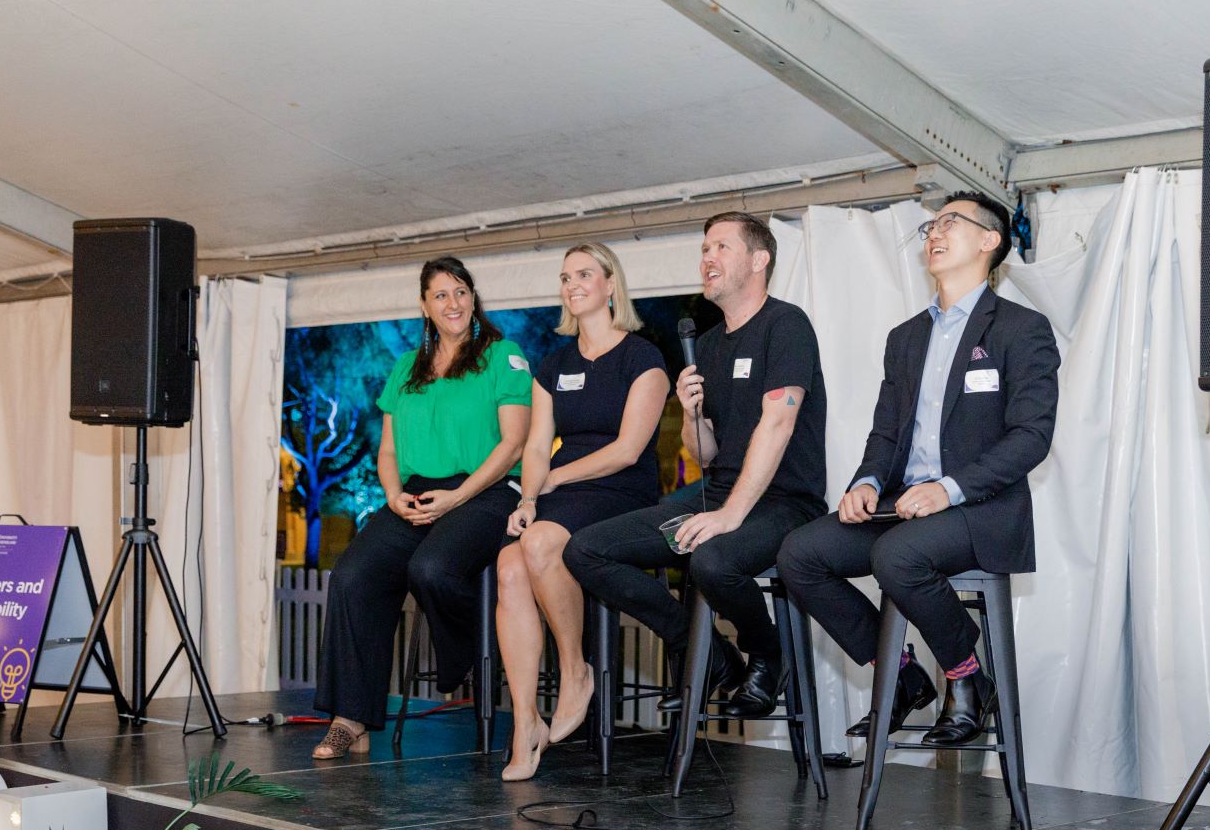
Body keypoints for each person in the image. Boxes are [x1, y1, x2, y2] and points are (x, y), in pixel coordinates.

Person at [777, 192, 1059, 746]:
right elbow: (886, 433)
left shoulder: (1020, 329)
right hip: (906, 505)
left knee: (896, 555)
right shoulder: (905, 338)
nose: (935, 231)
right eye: (933, 223)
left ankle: (965, 676)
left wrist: (948, 489)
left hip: (982, 509)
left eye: (951, 222)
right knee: (799, 554)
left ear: (988, 240)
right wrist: (866, 481)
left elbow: (1032, 438)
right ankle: (903, 676)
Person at [564, 212, 827, 720]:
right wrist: (690, 413)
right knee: (587, 550)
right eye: (705, 249)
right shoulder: (704, 345)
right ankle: (715, 659)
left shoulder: (785, 324)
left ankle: (769, 655)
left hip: (783, 499)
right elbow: (703, 453)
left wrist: (730, 515)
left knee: (711, 559)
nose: (707, 258)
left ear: (758, 260)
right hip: (719, 492)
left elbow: (778, 425)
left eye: (721, 248)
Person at [312, 256, 532, 759]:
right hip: (415, 491)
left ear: (473, 298)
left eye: (460, 291)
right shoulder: (405, 367)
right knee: (352, 577)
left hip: (487, 488)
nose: (452, 303)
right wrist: (392, 496)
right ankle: (351, 720)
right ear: (425, 306)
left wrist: (459, 495)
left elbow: (514, 444)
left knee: (430, 568)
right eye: (440, 295)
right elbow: (387, 450)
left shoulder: (503, 355)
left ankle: (475, 657)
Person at [495, 244, 670, 781]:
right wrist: (527, 498)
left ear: (611, 284)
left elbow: (628, 449)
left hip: (621, 490)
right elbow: (535, 444)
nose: (572, 284)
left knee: (542, 542)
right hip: (559, 489)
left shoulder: (645, 357)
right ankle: (525, 723)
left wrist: (553, 479)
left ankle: (575, 670)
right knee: (509, 565)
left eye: (584, 274)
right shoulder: (554, 364)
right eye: (565, 276)